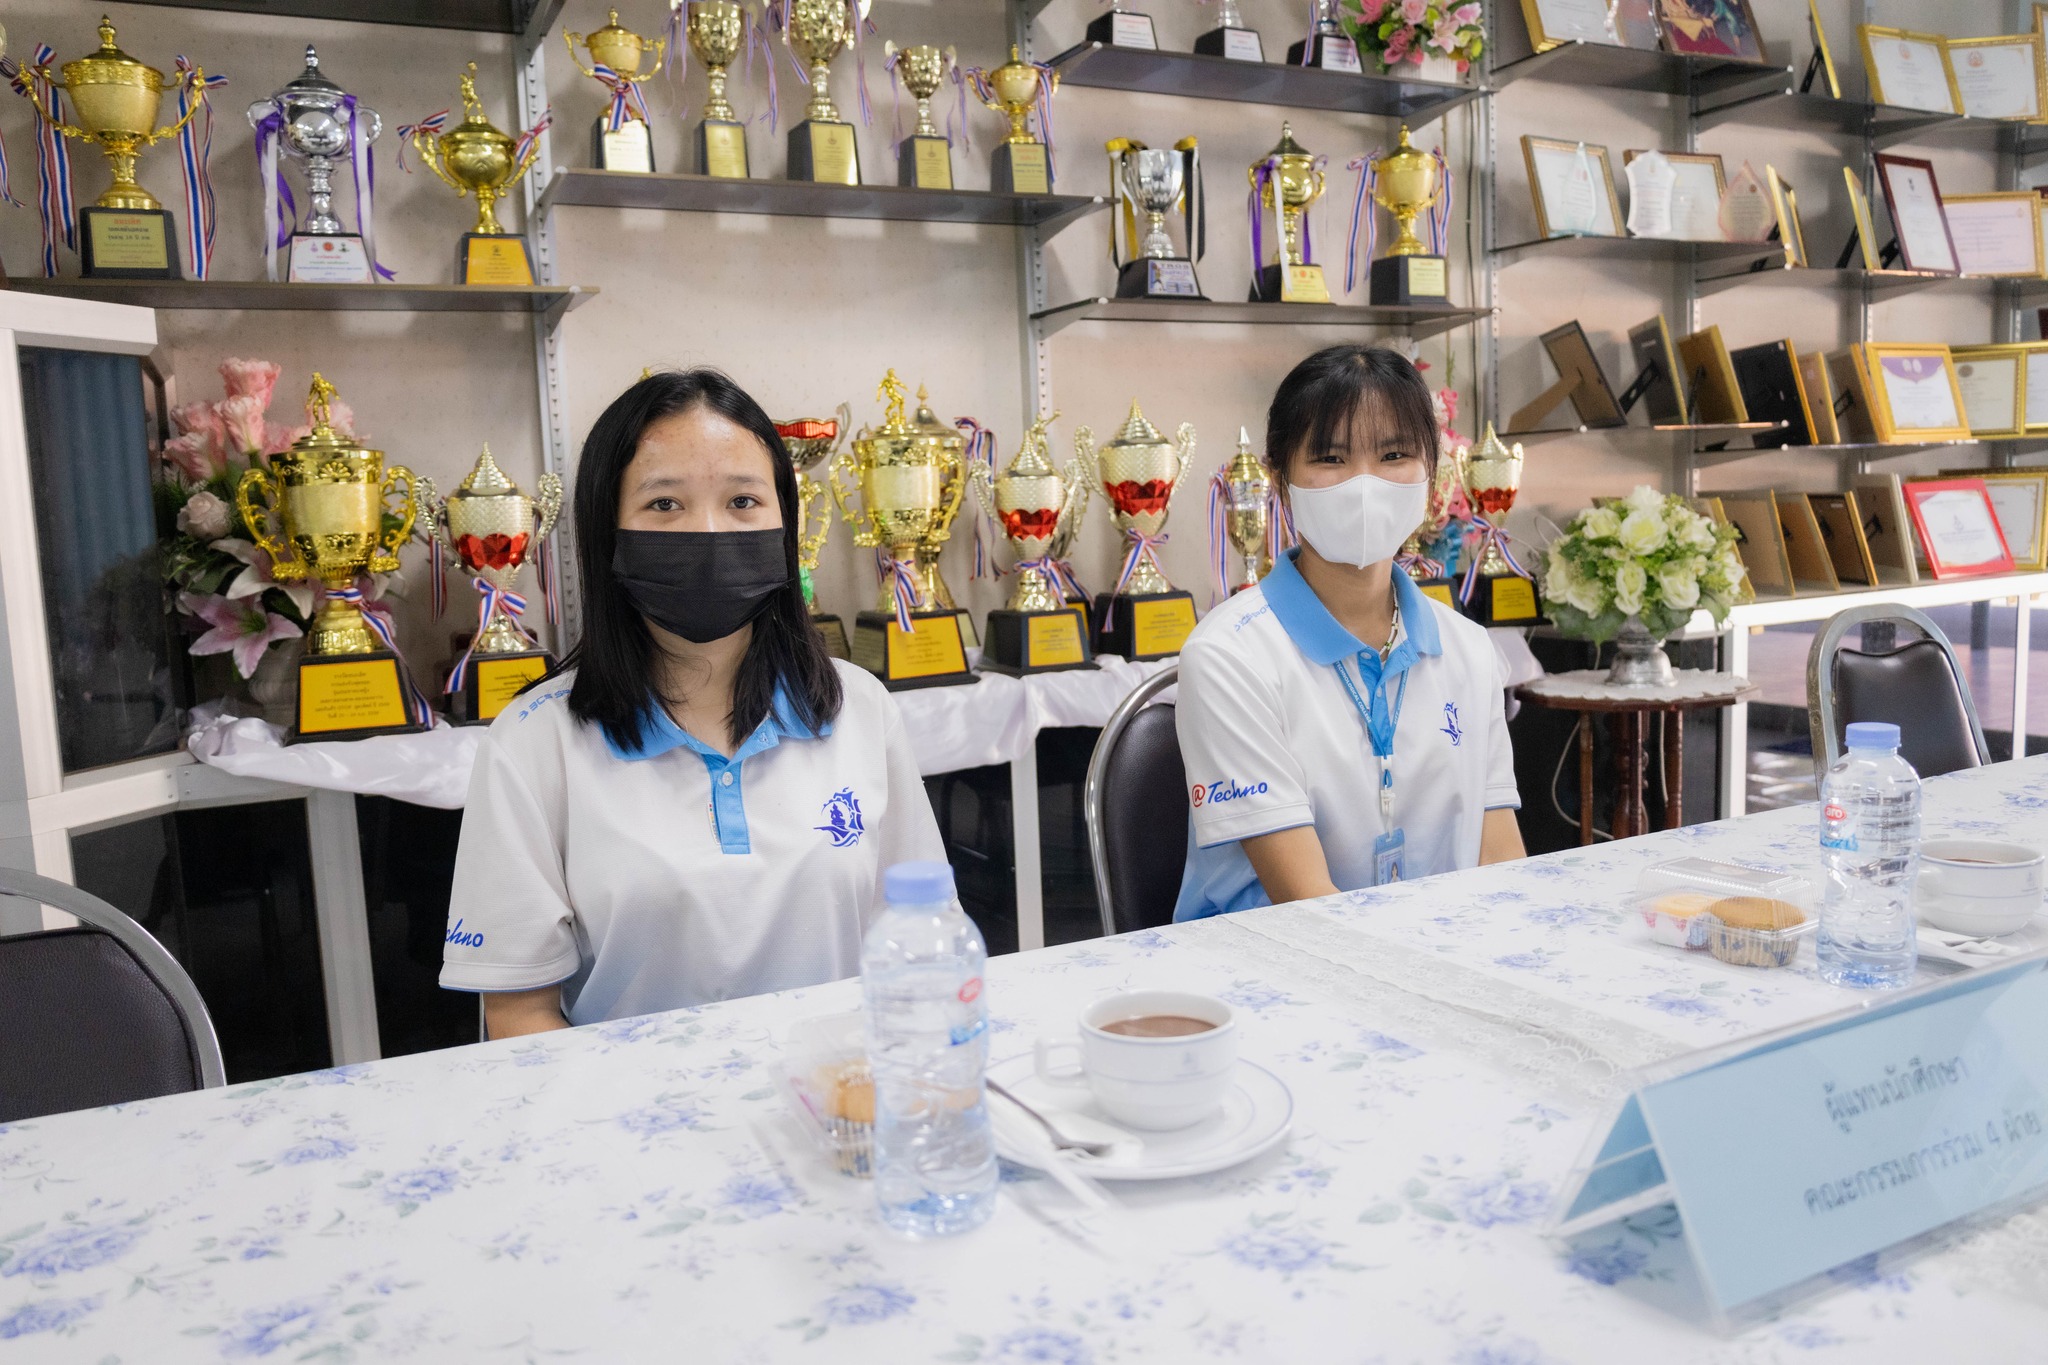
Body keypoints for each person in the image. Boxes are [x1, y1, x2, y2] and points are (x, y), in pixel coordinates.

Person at [441, 368, 945, 1035]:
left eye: (742, 501)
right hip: (632, 1124)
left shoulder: (862, 710)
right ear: (607, 530)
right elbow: (519, 1010)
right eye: (664, 504)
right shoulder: (532, 744)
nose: (709, 532)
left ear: (786, 521)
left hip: (834, 1112)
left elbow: (920, 944)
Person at [1173, 345, 1525, 921]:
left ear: (1430, 477)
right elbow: (1305, 901)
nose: (1365, 485)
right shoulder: (1228, 657)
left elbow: (1502, 862)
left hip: (1443, 962)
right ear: (1279, 481)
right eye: (1331, 459)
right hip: (1269, 972)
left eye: (1393, 454)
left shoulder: (1467, 649)